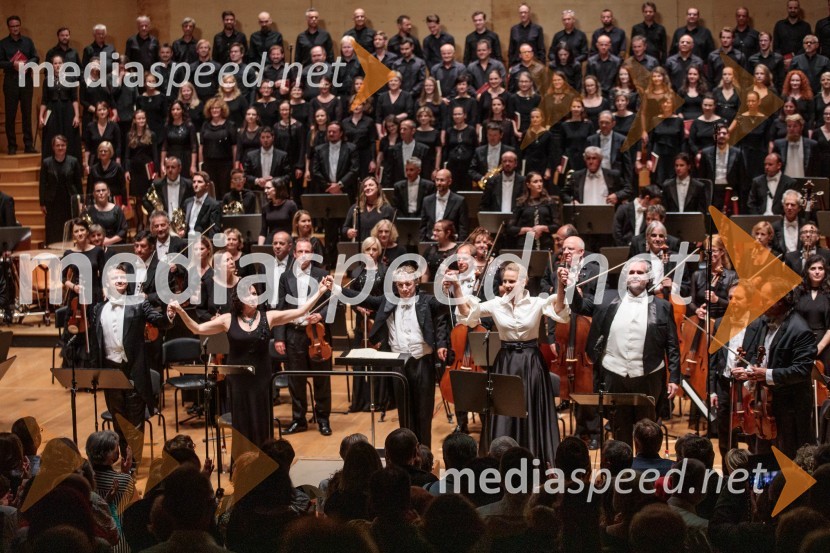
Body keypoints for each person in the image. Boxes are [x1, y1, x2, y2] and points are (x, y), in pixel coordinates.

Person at [171, 269, 333, 448]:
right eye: (249, 294)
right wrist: (180, 311)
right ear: (239, 298)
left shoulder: (268, 317)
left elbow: (300, 311)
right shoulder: (227, 319)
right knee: (241, 423)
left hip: (261, 379)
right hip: (239, 381)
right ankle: (242, 465)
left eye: (255, 294)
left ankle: (264, 462)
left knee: (261, 420)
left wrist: (320, 291)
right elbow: (197, 329)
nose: (254, 297)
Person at [451, 261, 570, 465]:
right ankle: (501, 460)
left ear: (523, 282)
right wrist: (456, 288)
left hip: (531, 363)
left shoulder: (536, 303)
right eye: (505, 281)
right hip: (505, 361)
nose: (507, 285)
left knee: (531, 411)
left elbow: (559, 310)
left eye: (512, 281)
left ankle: (535, 460)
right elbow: (468, 315)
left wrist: (560, 285)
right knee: (504, 412)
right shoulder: (497, 304)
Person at [586, 259, 681, 446]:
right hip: (615, 374)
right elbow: (579, 307)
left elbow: (672, 345)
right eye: (631, 272)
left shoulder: (663, 307)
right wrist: (569, 285)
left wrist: (674, 378)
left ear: (648, 278)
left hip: (648, 375)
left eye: (640, 272)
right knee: (619, 429)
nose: (635, 275)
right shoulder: (608, 301)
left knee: (647, 431)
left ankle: (644, 472)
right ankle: (621, 472)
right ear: (625, 278)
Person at [89, 264, 172, 451]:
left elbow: (159, 321)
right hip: (111, 372)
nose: (120, 280)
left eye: (123, 277)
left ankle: (133, 464)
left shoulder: (138, 304)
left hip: (134, 370)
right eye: (114, 277)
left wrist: (169, 315)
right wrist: (96, 374)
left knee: (135, 422)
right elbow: (96, 344)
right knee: (118, 420)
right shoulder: (98, 309)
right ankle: (124, 461)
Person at [732, 278, 816, 458]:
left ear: (782, 300)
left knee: (789, 457)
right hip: (765, 406)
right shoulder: (764, 322)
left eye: (766, 298)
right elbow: (760, 355)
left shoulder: (800, 330)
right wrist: (749, 372)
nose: (761, 302)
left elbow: (801, 371)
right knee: (765, 456)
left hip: (790, 408)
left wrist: (766, 374)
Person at [275, 239, 336, 437]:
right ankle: (298, 419)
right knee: (296, 380)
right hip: (294, 334)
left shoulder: (321, 275)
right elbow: (281, 308)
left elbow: (334, 302)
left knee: (321, 379)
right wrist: (279, 338)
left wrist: (322, 315)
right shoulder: (285, 277)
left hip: (317, 333)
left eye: (307, 251)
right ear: (294, 254)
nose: (303, 254)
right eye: (300, 251)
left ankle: (323, 419)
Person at [0, 16, 38, 154]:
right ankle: (12, 146)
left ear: (20, 26)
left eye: (17, 26)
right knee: (11, 114)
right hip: (11, 80)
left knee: (27, 113)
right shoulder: (3, 43)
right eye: (12, 26)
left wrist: (26, 64)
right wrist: (13, 64)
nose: (15, 28)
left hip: (26, 80)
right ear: (8, 27)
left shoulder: (28, 42)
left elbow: (36, 57)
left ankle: (28, 145)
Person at [40, 135, 83, 245]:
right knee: (53, 228)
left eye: (63, 145)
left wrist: (81, 201)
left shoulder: (73, 161)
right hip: (52, 201)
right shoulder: (46, 162)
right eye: (58, 145)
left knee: (70, 227)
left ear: (66, 146)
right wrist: (42, 203)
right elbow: (42, 184)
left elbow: (78, 183)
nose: (60, 148)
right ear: (53, 147)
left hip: (69, 200)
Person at [39, 55, 81, 160]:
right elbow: (44, 100)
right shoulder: (47, 80)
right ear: (52, 65)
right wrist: (41, 116)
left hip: (67, 111)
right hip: (52, 111)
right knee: (51, 136)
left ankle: (72, 167)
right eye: (55, 63)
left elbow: (75, 99)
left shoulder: (71, 78)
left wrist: (76, 115)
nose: (58, 65)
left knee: (69, 137)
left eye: (60, 63)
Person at [509, 172, 559, 250]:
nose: (539, 184)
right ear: (528, 185)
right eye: (535, 182)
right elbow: (511, 228)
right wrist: (528, 230)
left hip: (545, 243)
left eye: (541, 181)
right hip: (525, 243)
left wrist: (542, 228)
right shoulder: (521, 203)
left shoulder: (549, 202)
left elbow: (557, 225)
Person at [199, 97, 237, 199]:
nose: (214, 110)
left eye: (217, 108)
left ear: (222, 110)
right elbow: (201, 145)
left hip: (225, 164)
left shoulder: (230, 125)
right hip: (209, 163)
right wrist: (200, 164)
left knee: (224, 190)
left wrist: (235, 165)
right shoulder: (205, 125)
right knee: (210, 190)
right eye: (212, 108)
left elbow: (234, 146)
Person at [342, 177, 396, 243]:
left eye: (371, 185)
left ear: (378, 188)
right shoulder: (356, 208)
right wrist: (348, 231)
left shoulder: (387, 209)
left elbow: (394, 233)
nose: (367, 188)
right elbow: (345, 228)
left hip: (379, 248)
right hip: (359, 248)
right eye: (365, 186)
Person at [420, 169, 468, 241]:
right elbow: (423, 225)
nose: (439, 183)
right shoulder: (427, 200)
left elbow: (463, 228)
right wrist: (422, 242)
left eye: (442, 180)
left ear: (449, 182)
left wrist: (460, 245)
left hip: (451, 242)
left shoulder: (460, 201)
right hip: (431, 241)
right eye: (437, 180)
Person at [161, 101, 198, 179]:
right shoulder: (167, 126)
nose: (175, 112)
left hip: (186, 159)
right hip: (172, 158)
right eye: (173, 109)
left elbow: (194, 147)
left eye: (178, 109)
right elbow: (164, 146)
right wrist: (162, 164)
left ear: (182, 111)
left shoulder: (189, 125)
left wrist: (193, 165)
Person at [180, 171, 221, 239]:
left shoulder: (214, 205)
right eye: (194, 182)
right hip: (186, 241)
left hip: (202, 243)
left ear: (207, 185)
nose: (196, 184)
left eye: (199, 182)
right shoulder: (187, 202)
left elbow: (214, 231)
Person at [258, 179, 297, 246]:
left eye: (268, 188)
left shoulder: (291, 205)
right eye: (265, 188)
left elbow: (296, 229)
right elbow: (263, 231)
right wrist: (259, 249)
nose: (265, 191)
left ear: (277, 188)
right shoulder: (265, 208)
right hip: (271, 243)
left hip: (286, 242)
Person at [89, 181, 127, 246]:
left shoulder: (117, 210)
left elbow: (124, 230)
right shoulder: (89, 211)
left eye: (103, 190)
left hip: (115, 245)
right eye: (98, 191)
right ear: (94, 194)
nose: (101, 193)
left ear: (108, 192)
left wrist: (109, 241)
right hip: (94, 246)